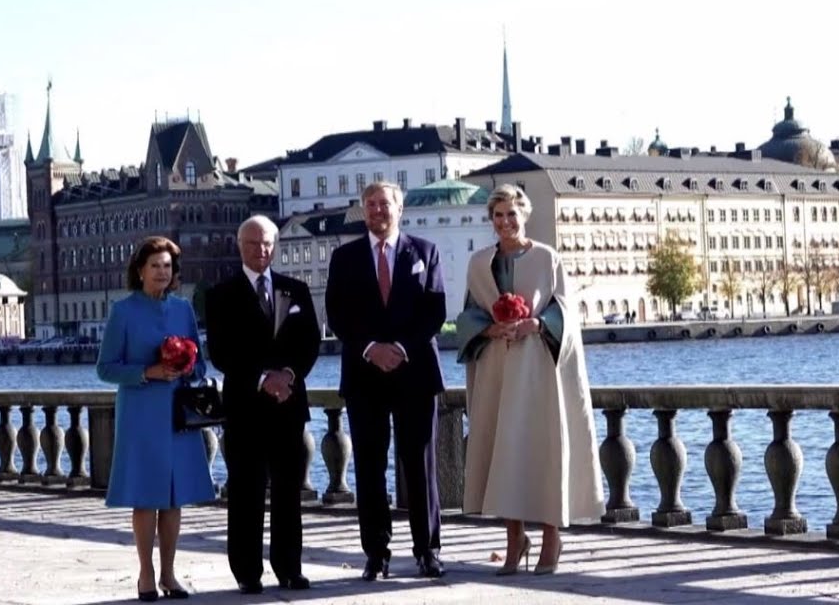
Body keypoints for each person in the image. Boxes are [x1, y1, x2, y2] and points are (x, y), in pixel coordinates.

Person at [456, 184, 604, 576]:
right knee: (504, 450)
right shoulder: (478, 263)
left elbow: (567, 316)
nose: (505, 222)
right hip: (497, 370)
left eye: (511, 214)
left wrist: (536, 323)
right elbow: (468, 315)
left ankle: (552, 537)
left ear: (525, 215)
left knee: (543, 449)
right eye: (498, 215)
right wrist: (491, 330)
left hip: (539, 369)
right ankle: (514, 538)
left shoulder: (547, 258)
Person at [325, 181, 448, 581]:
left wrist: (399, 348)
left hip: (414, 372)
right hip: (364, 375)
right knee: (369, 466)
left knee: (420, 465)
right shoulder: (343, 258)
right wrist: (371, 349)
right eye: (371, 204)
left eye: (385, 204)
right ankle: (376, 553)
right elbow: (337, 315)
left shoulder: (424, 252)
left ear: (401, 208)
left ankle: (427, 551)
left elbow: (434, 312)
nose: (378, 211)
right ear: (363, 210)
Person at [205, 215, 321, 594]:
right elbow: (221, 352)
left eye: (268, 244)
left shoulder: (296, 289)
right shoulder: (221, 294)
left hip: (288, 405)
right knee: (245, 492)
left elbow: (310, 343)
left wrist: (287, 375)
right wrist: (262, 379)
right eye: (254, 244)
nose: (261, 250)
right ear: (240, 246)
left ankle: (289, 567)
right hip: (245, 408)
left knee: (289, 492)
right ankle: (247, 572)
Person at [96, 236, 215, 602]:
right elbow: (105, 369)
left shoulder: (183, 310)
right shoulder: (123, 311)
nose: (162, 272)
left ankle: (169, 573)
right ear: (140, 270)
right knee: (146, 497)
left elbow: (200, 363)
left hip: (177, 414)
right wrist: (148, 371)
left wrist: (189, 367)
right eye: (155, 266)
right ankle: (146, 574)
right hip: (142, 415)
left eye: (168, 266)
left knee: (174, 497)